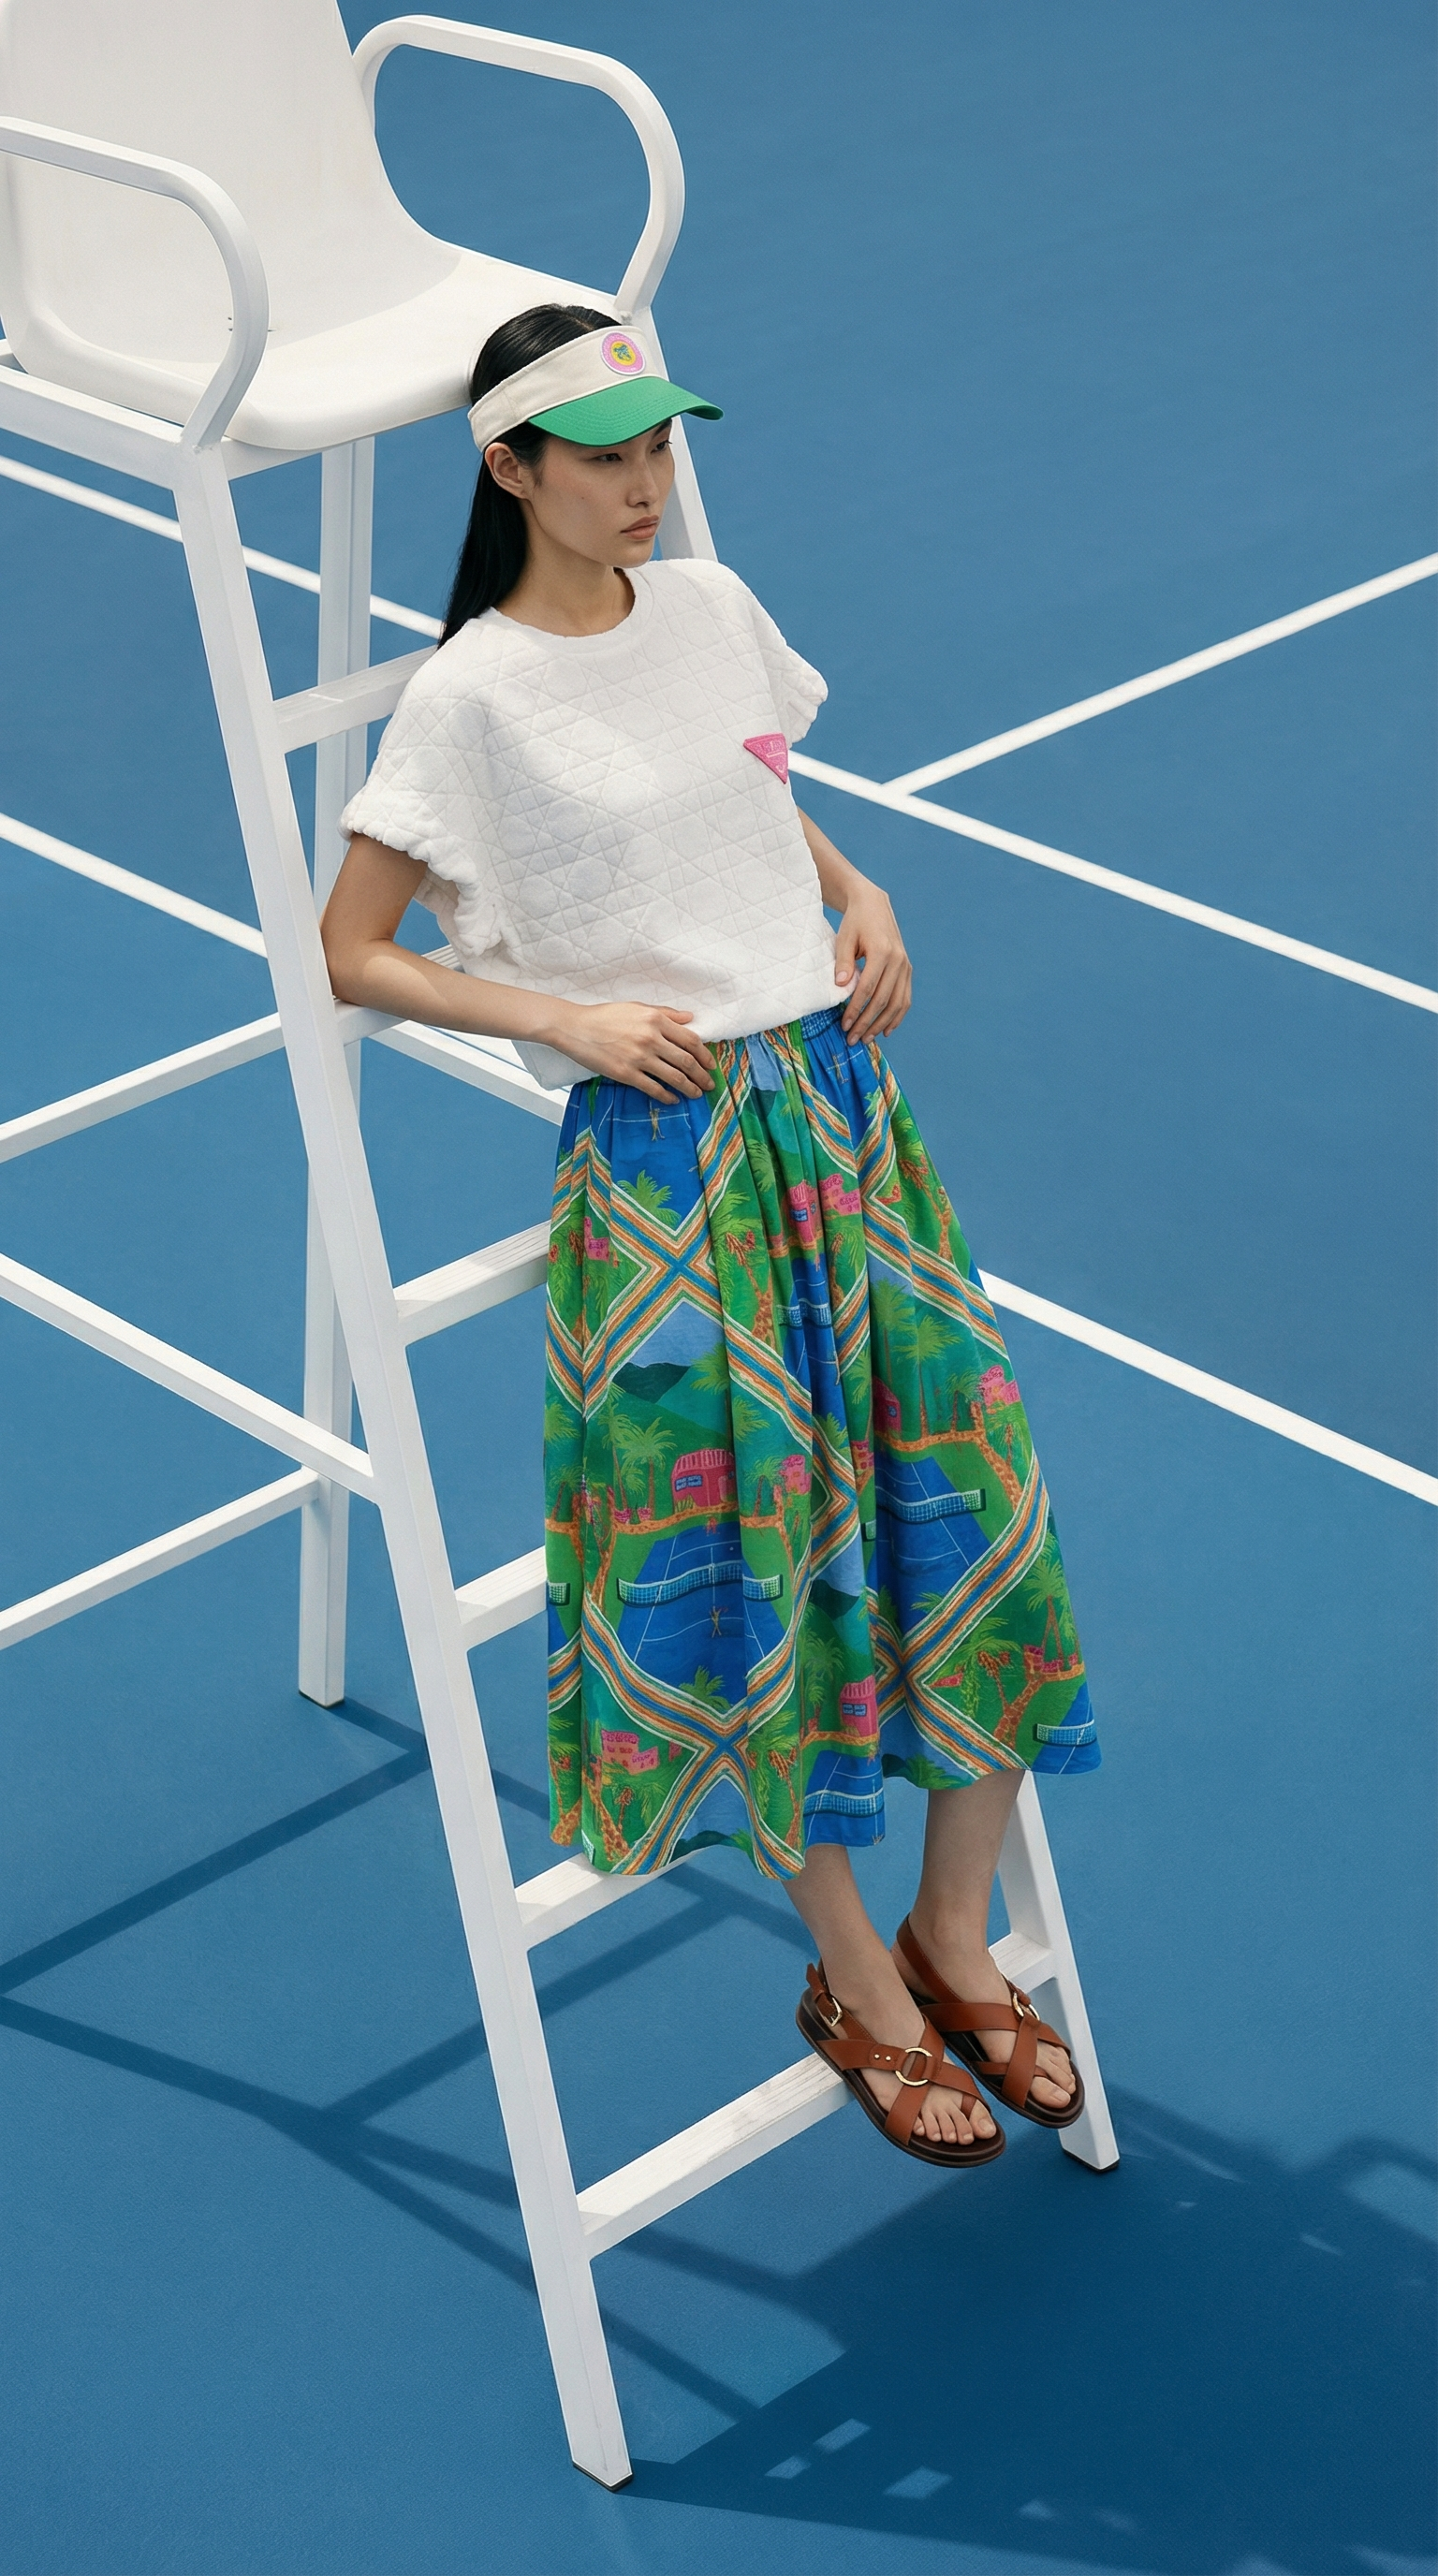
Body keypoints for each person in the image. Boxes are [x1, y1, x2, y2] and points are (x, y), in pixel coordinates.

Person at [322, 303, 1099, 2171]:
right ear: (510, 469)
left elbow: (750, 790)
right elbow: (349, 947)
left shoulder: (713, 605)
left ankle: (956, 1928)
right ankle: (863, 1978)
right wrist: (565, 1021)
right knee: (768, 1572)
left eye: (660, 447)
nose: (646, 486)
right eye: (605, 458)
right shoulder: (468, 698)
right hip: (671, 1163)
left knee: (974, 1508)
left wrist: (859, 884)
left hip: (844, 1114)